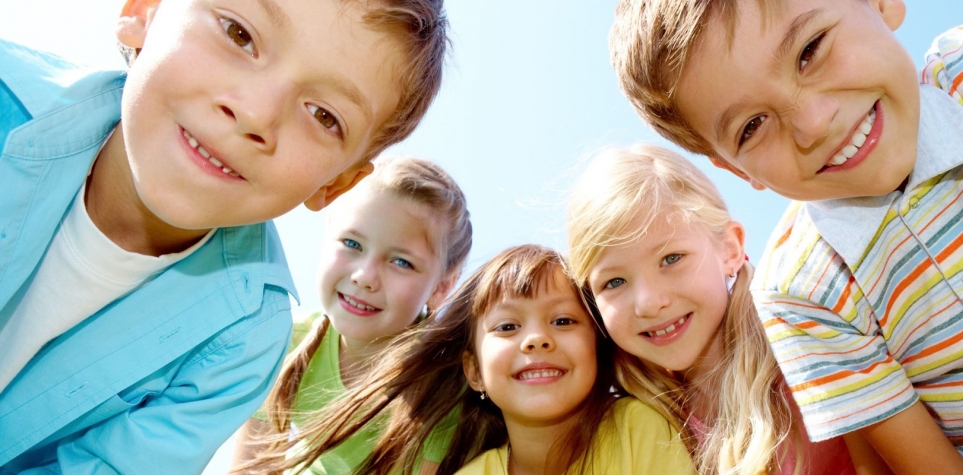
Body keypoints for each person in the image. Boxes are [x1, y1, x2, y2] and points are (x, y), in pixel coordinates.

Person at [610, 1, 963, 473]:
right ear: (735, 169)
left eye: (810, 50)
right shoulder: (797, 289)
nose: (814, 123)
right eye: (752, 126)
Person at [0, 0, 449, 471]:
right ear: (143, 11)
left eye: (322, 115)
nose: (256, 114)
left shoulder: (242, 341)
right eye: (238, 34)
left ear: (333, 185)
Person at [255, 245, 695, 475]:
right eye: (507, 327)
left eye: (563, 321)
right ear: (474, 372)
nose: (537, 340)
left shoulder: (638, 428)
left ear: (598, 347)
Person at [567, 144, 873, 475]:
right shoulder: (634, 424)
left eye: (671, 259)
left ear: (729, 249)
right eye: (614, 282)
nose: (649, 302)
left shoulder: (809, 347)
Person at [231, 157, 471, 474]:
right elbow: (250, 468)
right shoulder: (284, 343)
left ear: (441, 287)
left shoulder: (443, 386)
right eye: (352, 243)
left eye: (401, 262)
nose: (364, 276)